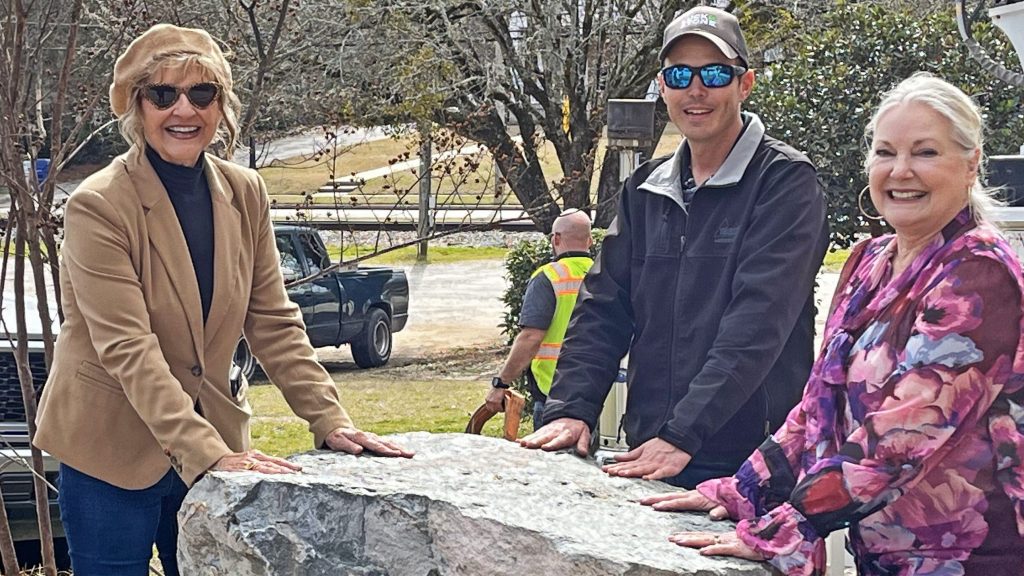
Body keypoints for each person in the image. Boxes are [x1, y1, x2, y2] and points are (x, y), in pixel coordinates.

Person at [32, 24, 413, 576]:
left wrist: (329, 418)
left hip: (213, 432)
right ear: (138, 106)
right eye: (163, 94)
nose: (183, 109)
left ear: (220, 106)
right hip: (109, 447)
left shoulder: (245, 191)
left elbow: (273, 319)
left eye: (201, 93)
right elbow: (127, 347)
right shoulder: (99, 205)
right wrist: (206, 451)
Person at [645, 73, 1024, 575]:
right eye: (885, 152)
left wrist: (787, 526)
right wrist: (744, 490)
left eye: (926, 153)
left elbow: (902, 437)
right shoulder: (868, 262)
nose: (901, 171)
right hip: (883, 557)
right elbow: (818, 407)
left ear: (971, 163)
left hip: (973, 558)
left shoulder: (980, 274)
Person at [520, 5, 828, 488]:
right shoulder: (646, 188)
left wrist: (683, 434)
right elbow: (604, 307)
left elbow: (758, 323)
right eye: (680, 74)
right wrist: (571, 410)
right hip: (651, 450)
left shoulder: (785, 182)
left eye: (715, 73)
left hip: (748, 465)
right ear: (663, 87)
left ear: (745, 84)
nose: (695, 89)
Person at [485, 209, 594, 429]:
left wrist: (501, 383)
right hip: (600, 391)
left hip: (554, 394)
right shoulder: (604, 274)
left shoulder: (549, 277)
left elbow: (531, 338)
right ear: (590, 240)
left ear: (556, 239)